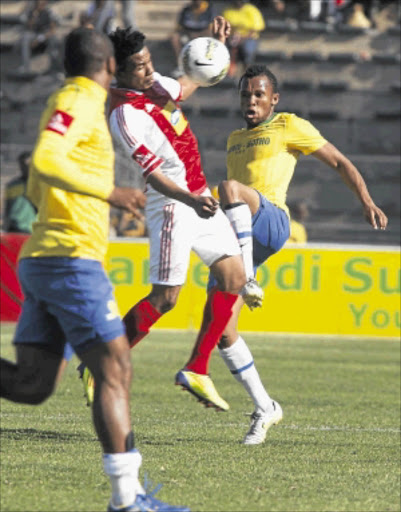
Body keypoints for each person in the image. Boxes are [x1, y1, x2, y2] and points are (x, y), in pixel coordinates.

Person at [0, 27, 189, 512]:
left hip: (47, 256)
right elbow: (45, 159)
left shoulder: (68, 97)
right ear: (108, 68)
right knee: (115, 366)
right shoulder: (82, 99)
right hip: (69, 259)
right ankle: (127, 500)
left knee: (33, 385)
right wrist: (111, 193)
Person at [79, 18, 264, 414]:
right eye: (139, 67)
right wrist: (189, 200)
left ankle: (197, 368)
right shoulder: (123, 115)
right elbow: (154, 175)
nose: (148, 71)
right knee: (165, 299)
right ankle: (99, 362)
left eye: (148, 62)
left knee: (233, 277)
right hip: (173, 207)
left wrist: (214, 48)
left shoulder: (155, 85)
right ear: (117, 71)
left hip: (199, 198)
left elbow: (187, 85)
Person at [201, 64, 388, 444]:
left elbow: (339, 161)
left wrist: (366, 200)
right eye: (245, 95)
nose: (251, 101)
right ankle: (265, 407)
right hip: (239, 232)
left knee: (229, 188)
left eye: (258, 94)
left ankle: (249, 276)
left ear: (274, 99)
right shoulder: (235, 137)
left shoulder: (288, 125)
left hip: (272, 221)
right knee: (222, 329)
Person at [170, 0, 216, 75]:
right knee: (175, 37)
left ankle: (205, 66)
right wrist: (189, 34)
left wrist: (198, 35)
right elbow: (180, 27)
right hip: (188, 34)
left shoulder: (209, 9)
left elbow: (211, 29)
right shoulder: (186, 9)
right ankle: (181, 65)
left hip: (202, 35)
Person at [222, 0, 265, 78]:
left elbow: (256, 29)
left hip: (249, 37)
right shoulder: (228, 10)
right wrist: (231, 36)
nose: (238, 2)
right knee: (223, 49)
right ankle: (226, 76)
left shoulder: (252, 10)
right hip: (231, 37)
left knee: (247, 50)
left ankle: (247, 75)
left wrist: (242, 38)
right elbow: (224, 26)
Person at [16, 0, 60, 75]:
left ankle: (54, 68)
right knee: (25, 37)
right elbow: (29, 28)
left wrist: (39, 39)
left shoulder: (49, 13)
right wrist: (34, 17)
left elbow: (52, 30)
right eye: (39, 4)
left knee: (53, 39)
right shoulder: (32, 12)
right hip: (35, 34)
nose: (41, 5)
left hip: (45, 36)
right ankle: (25, 66)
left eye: (42, 4)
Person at [3, 152, 37, 233]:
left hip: (31, 229)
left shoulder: (39, 185)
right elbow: (8, 207)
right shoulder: (12, 185)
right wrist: (5, 225)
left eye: (28, 165)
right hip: (14, 228)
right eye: (23, 164)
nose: (25, 168)